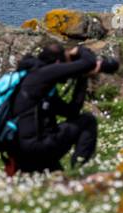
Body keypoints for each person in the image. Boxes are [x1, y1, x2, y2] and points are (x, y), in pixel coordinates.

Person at [7, 42, 111, 175]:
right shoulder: (43, 74)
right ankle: (81, 171)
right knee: (88, 121)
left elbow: (71, 112)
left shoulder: (32, 80)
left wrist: (82, 79)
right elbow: (88, 62)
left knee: (57, 180)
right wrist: (80, 50)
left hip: (19, 153)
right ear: (57, 63)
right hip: (36, 147)